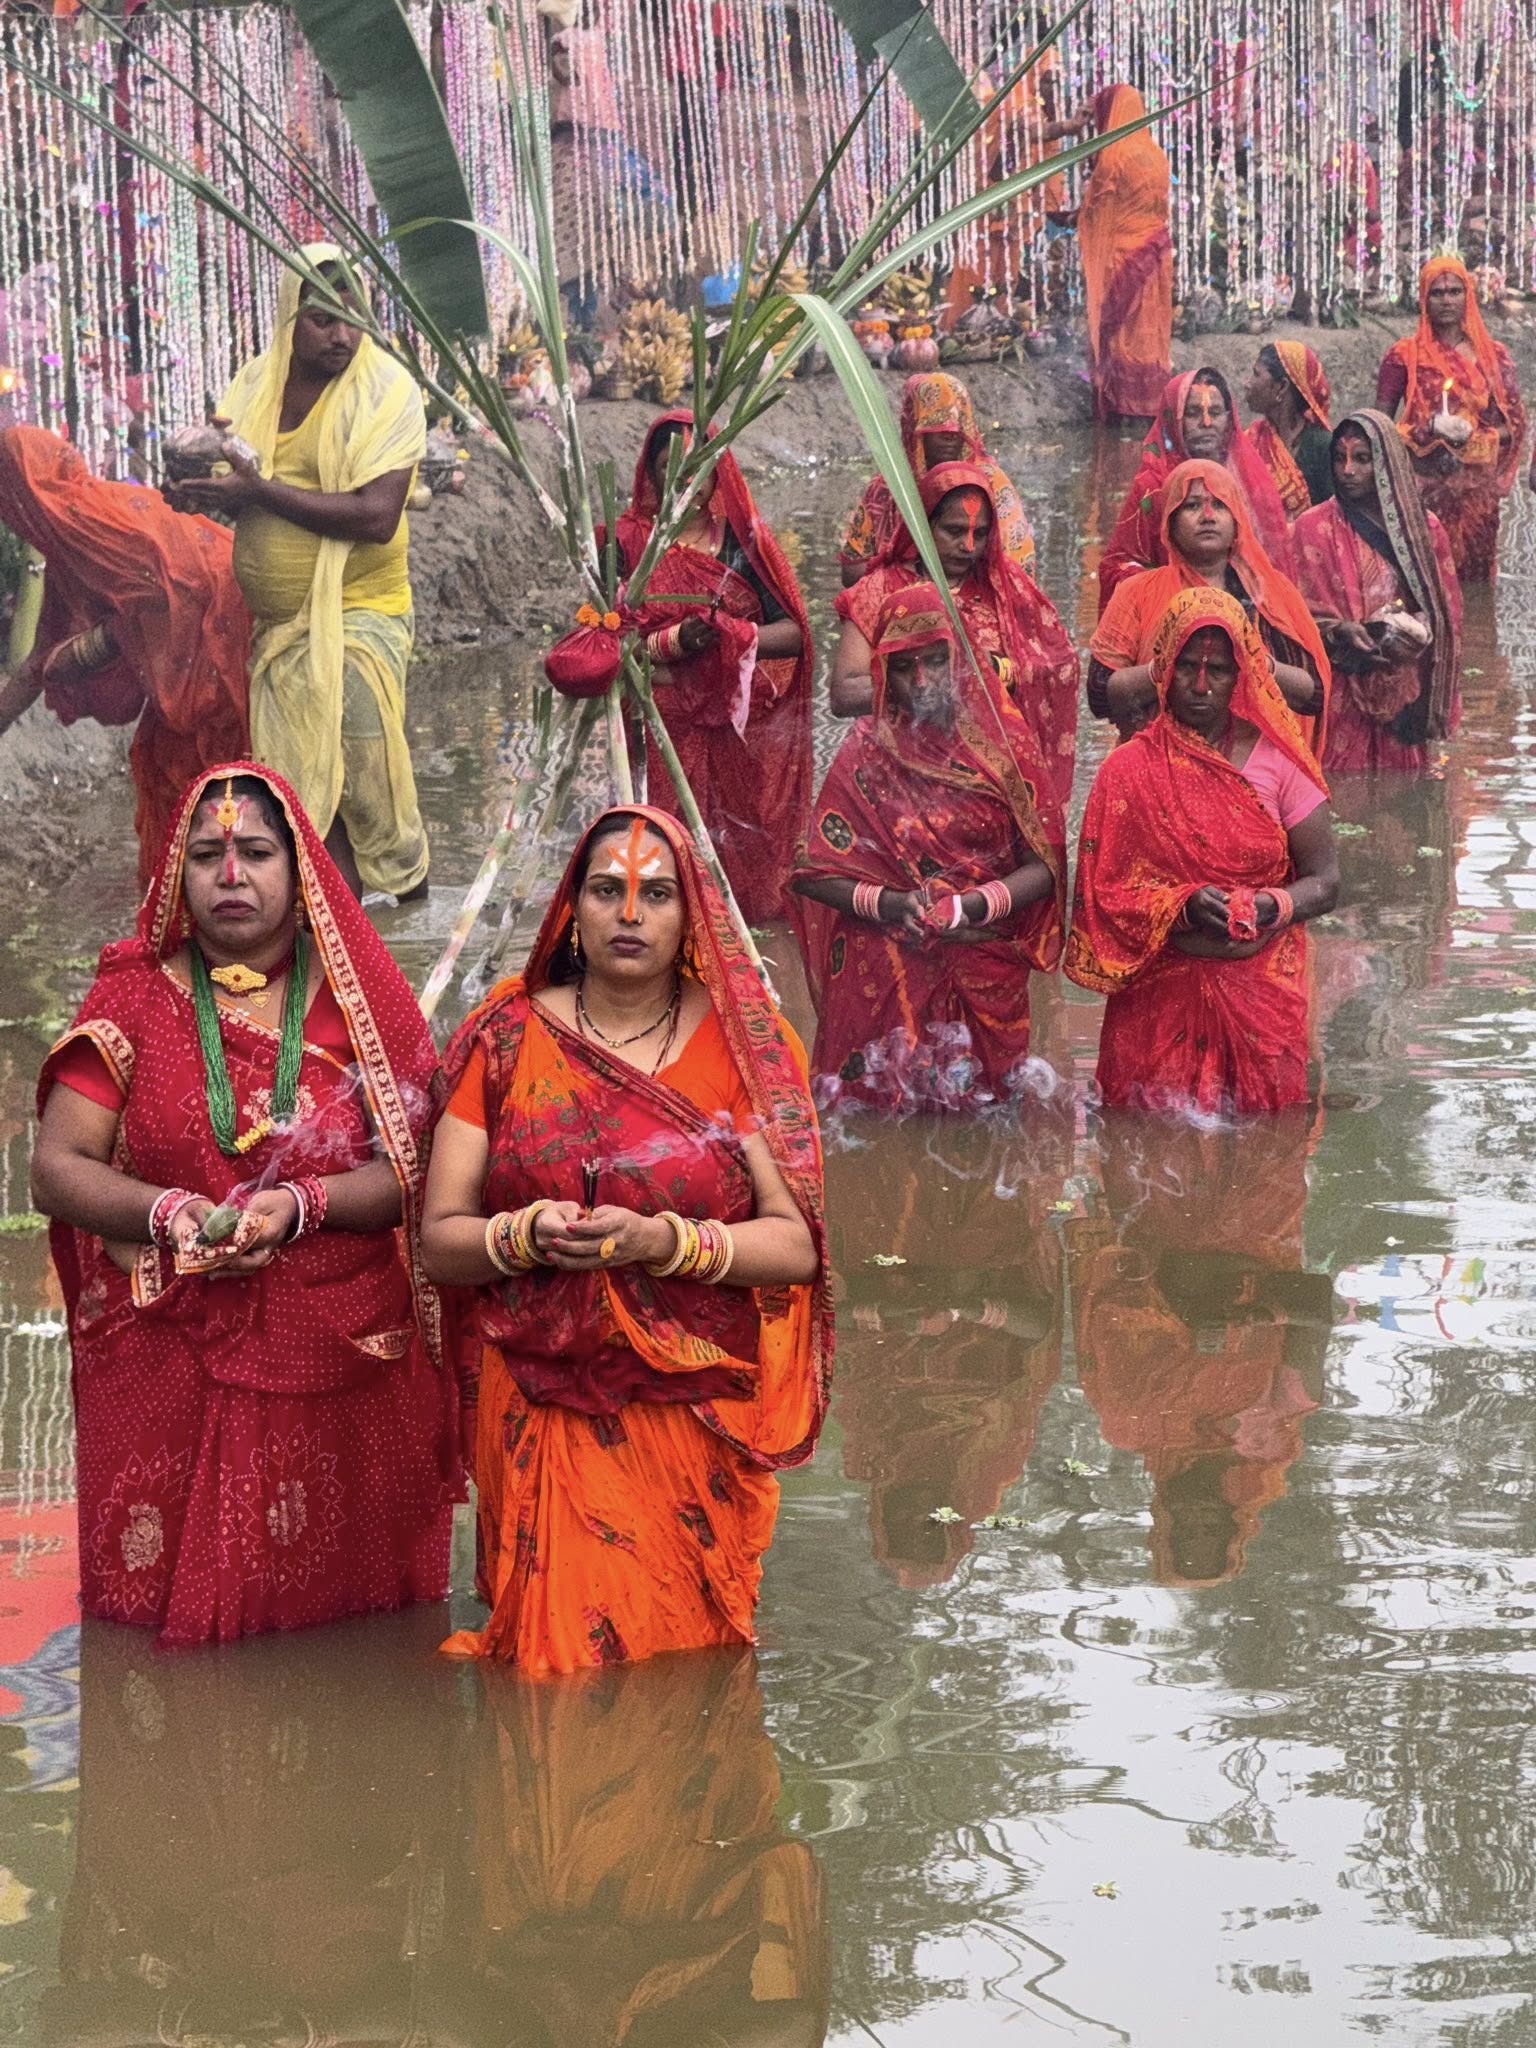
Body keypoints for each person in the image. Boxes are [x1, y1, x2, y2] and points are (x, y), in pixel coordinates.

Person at [29, 763, 457, 1646]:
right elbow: (57, 1166)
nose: (232, 875)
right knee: (157, 1637)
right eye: (208, 853)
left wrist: (301, 1204)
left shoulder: (360, 1004)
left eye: (257, 852)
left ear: (300, 871)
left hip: (335, 1348)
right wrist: (175, 1215)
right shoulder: (133, 996)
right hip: (169, 1339)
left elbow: (415, 1176)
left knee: (350, 1637)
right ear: (175, 876)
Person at [422, 805, 831, 1676]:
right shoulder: (506, 1037)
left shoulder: (750, 1047)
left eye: (656, 893)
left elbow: (796, 1245)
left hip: (690, 1410)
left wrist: (661, 1243)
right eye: (607, 891)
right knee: (550, 1674)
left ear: (693, 915)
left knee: (685, 1675)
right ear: (573, 908)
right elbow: (439, 1240)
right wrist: (522, 1234)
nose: (631, 914)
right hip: (539, 1398)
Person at [171, 243, 430, 899]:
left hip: (362, 611)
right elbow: (238, 467)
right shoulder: (257, 383)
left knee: (365, 772)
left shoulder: (388, 389)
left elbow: (375, 514)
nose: (342, 333)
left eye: (353, 317)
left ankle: (409, 892)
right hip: (280, 624)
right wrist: (198, 485)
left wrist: (255, 493)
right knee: (303, 792)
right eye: (323, 319)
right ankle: (340, 928)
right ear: (291, 315)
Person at [1065, 589, 1340, 1115]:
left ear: (1243, 675)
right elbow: (1099, 899)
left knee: (1264, 1170)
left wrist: (1267, 907)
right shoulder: (1126, 770)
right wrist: (1180, 905)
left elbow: (1325, 881)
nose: (1199, 685)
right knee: (1145, 1157)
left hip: (1261, 1003)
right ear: (1163, 668)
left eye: (1217, 670)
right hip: (1155, 1009)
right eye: (1187, 665)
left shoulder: (1280, 762)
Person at [793, 580, 1063, 1110]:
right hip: (885, 969)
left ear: (960, 659)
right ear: (882, 672)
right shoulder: (864, 752)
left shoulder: (1007, 746)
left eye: (936, 660)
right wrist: (893, 905)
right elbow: (814, 872)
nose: (921, 681)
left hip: (983, 958)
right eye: (902, 665)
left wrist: (968, 906)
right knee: (874, 1129)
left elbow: (1046, 865)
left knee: (987, 1134)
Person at [1070, 1114, 1328, 1586]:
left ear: (1163, 1521)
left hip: (1159, 1214)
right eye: (1212, 1528)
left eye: (1187, 1529)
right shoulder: (1272, 1432)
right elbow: (1317, 1304)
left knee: (1153, 1098)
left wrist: (1180, 1314)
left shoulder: (1128, 1420)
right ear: (1236, 1524)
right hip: (1258, 1217)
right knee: (1267, 1100)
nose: (1199, 1515)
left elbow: (1109, 1289)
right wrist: (1258, 1317)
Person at [0, 426, 249, 883]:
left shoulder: (102, 521)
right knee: (175, 799)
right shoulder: (68, 550)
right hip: (183, 690)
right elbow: (39, 664)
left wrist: (97, 645)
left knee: (227, 806)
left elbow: (172, 588)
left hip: (226, 661)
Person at [609, 411, 812, 926]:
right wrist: (676, 642)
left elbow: (792, 633)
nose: (682, 484)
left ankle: (740, 950)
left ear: (716, 471)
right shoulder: (627, 544)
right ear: (649, 476)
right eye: (667, 470)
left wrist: (728, 639)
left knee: (742, 854)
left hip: (734, 728)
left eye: (696, 469)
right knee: (661, 850)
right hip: (658, 723)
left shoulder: (743, 546)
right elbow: (604, 643)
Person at [830, 462, 1079, 814]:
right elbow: (843, 693)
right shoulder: (880, 589)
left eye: (980, 535)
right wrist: (943, 682)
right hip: (899, 776)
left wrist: (999, 671)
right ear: (924, 525)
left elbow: (1057, 668)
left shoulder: (1008, 591)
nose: (968, 546)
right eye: (953, 531)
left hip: (990, 776)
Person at [1088, 459, 1329, 749]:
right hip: (1156, 762)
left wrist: (1259, 665)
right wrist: (1164, 669)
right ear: (1169, 523)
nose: (1207, 516)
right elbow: (1100, 694)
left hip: (1249, 767)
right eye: (1191, 506)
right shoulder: (1136, 592)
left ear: (1237, 518)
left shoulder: (1270, 594)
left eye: (1219, 504)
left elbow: (1314, 694)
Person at [1294, 409, 1462, 775]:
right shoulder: (1313, 528)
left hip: (1405, 690)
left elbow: (1447, 615)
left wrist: (1414, 635)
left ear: (1387, 464)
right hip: (1338, 688)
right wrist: (1339, 631)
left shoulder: (1425, 531)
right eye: (1339, 458)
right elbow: (1290, 616)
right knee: (1339, 787)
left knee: (1404, 802)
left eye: (1362, 459)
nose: (1347, 470)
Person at [1376, 254, 1527, 583]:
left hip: (1476, 495)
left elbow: (1512, 429)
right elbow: (1378, 428)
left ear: (1468, 296)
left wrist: (1473, 436)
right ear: (1423, 298)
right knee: (1422, 582)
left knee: (1475, 588)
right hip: (1423, 489)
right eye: (1437, 292)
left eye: (1454, 291)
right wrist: (1428, 429)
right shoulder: (1403, 355)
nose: (1446, 300)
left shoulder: (1494, 356)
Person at [1098, 367, 1294, 608]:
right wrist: (1174, 588)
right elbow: (1118, 564)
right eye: (1193, 413)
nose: (1207, 423)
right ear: (1173, 419)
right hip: (1172, 612)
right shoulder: (1154, 486)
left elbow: (1274, 562)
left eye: (1215, 412)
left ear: (1229, 418)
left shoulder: (1248, 479)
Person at [839, 372, 1036, 583]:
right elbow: (852, 572)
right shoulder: (888, 487)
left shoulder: (990, 484)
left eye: (955, 424)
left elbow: (1018, 574)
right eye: (936, 424)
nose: (948, 434)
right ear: (912, 424)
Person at [1076, 83, 1173, 422]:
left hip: (1122, 257)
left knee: (1121, 333)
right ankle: (1149, 403)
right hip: (1156, 253)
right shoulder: (1157, 153)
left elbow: (1095, 212)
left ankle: (1122, 406)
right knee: (1149, 328)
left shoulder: (1114, 156)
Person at [1244, 341, 1335, 516]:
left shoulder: (1322, 446)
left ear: (1282, 387)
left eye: (1256, 374)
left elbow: (1333, 517)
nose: (1247, 383)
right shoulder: (1250, 441)